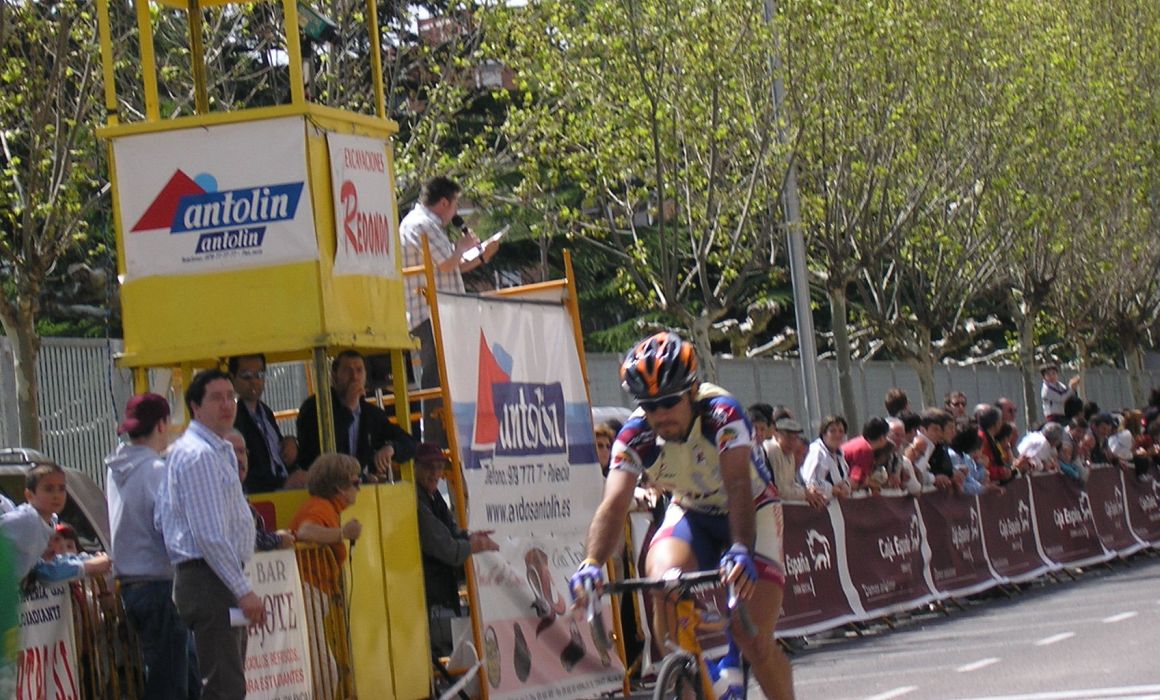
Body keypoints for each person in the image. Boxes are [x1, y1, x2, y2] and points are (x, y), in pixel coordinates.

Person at [568, 332, 794, 699]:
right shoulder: (635, 436)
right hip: (691, 510)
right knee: (662, 581)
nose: (660, 414)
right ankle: (697, 677)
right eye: (650, 406)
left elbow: (738, 485)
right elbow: (613, 504)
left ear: (692, 391)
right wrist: (591, 562)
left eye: (670, 402)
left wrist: (740, 548)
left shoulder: (722, 414)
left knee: (753, 638)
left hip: (751, 508)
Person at [156, 369, 266, 700]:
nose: (227, 405)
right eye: (216, 398)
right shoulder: (199, 455)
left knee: (227, 680)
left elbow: (164, 517)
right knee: (224, 686)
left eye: (230, 396)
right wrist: (242, 589)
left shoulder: (213, 450)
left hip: (213, 577)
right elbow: (209, 534)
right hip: (209, 578)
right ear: (195, 406)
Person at [105, 393, 198, 700]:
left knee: (181, 675)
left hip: (134, 585)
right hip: (161, 584)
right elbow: (169, 527)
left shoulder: (116, 469)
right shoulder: (157, 471)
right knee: (172, 684)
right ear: (161, 424)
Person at [401, 177, 501, 444]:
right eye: (456, 204)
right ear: (444, 203)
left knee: (448, 376)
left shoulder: (426, 224)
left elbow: (452, 266)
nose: (456, 212)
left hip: (440, 313)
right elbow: (447, 263)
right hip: (430, 313)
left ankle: (449, 439)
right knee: (436, 377)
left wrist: (482, 255)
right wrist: (462, 247)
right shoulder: (422, 224)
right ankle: (437, 443)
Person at [412, 443, 499, 656]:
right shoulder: (417, 502)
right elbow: (448, 549)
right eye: (429, 467)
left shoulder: (433, 497)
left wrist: (470, 537)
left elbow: (451, 532)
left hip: (435, 595)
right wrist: (474, 545)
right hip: (425, 598)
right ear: (416, 467)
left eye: (439, 467)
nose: (436, 473)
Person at [289, 453, 364, 698]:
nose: (359, 488)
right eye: (356, 482)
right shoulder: (319, 507)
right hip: (308, 592)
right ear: (339, 487)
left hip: (313, 594)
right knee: (324, 671)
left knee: (323, 669)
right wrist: (342, 533)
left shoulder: (325, 508)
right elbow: (305, 532)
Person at [296, 349, 417, 480]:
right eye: (347, 371)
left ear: (365, 376)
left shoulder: (371, 414)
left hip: (357, 487)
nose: (354, 377)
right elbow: (316, 453)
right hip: (323, 484)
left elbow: (410, 444)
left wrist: (392, 448)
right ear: (334, 377)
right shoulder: (315, 407)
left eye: (359, 370)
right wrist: (348, 409)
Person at [1, 464, 111, 586]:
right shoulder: (26, 519)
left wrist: (88, 561)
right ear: (29, 495)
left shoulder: (49, 520)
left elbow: (42, 568)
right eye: (48, 489)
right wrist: (87, 566)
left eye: (61, 489)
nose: (56, 495)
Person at [225, 430, 294, 552]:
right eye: (230, 451)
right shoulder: (215, 495)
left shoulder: (240, 493)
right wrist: (278, 540)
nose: (238, 458)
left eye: (242, 451)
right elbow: (241, 539)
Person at [229, 354, 289, 493]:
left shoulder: (266, 412)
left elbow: (276, 454)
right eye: (246, 375)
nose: (254, 381)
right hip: (262, 494)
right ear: (232, 378)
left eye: (259, 375)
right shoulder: (233, 419)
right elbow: (245, 471)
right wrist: (284, 483)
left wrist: (290, 445)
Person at [763, 418, 826, 509]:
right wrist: (805, 494)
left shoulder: (790, 453)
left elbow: (791, 483)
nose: (791, 442)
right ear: (776, 435)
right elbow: (780, 490)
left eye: (795, 438)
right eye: (788, 437)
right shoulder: (773, 449)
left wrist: (808, 492)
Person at [800, 415, 852, 501]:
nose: (837, 435)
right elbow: (808, 482)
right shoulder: (816, 451)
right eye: (832, 431)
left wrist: (845, 487)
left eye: (841, 431)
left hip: (837, 504)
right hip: (820, 504)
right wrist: (831, 490)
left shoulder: (839, 454)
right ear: (823, 433)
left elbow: (843, 479)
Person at [841, 417, 890, 492]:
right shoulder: (865, 451)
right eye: (887, 436)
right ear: (881, 438)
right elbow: (854, 483)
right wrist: (875, 485)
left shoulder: (860, 442)